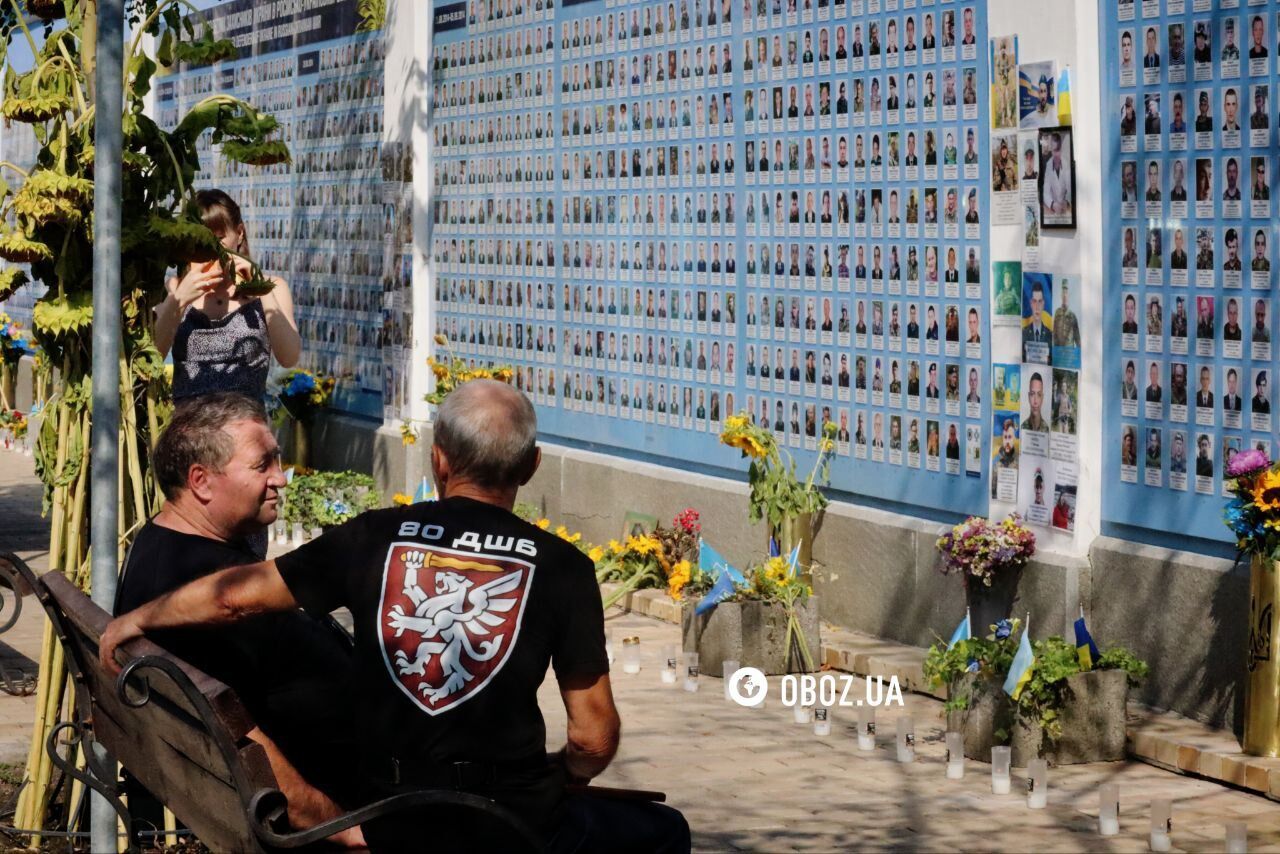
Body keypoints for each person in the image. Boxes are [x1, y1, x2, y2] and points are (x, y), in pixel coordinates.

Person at [102, 381, 691, 853]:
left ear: (437, 459)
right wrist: (569, 773)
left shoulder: (372, 536)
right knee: (662, 832)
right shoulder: (562, 568)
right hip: (488, 819)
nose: (280, 475)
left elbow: (235, 596)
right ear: (532, 466)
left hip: (386, 803)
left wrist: (137, 616)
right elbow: (594, 736)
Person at [115, 393, 361, 844]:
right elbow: (251, 755)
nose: (280, 479)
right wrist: (345, 833)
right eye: (262, 464)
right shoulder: (210, 597)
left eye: (278, 460)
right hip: (334, 814)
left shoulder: (160, 547)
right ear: (201, 481)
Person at [155, 189, 302, 400]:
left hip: (246, 426)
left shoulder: (274, 287)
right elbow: (152, 357)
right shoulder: (174, 288)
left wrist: (260, 288)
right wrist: (178, 301)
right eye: (200, 240)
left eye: (219, 238)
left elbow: (289, 357)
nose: (210, 249)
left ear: (239, 233)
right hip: (189, 426)